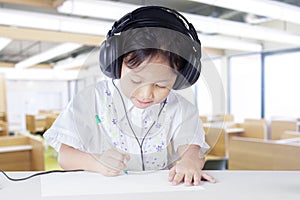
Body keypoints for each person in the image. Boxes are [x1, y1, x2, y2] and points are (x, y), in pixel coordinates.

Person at [44, 5, 216, 186]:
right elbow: (65, 156)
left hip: (154, 190)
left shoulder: (180, 107)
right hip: (103, 189)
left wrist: (189, 162)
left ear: (180, 79)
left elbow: (192, 150)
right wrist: (96, 162)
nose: (146, 94)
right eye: (135, 81)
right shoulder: (91, 99)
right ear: (116, 63)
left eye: (160, 85)